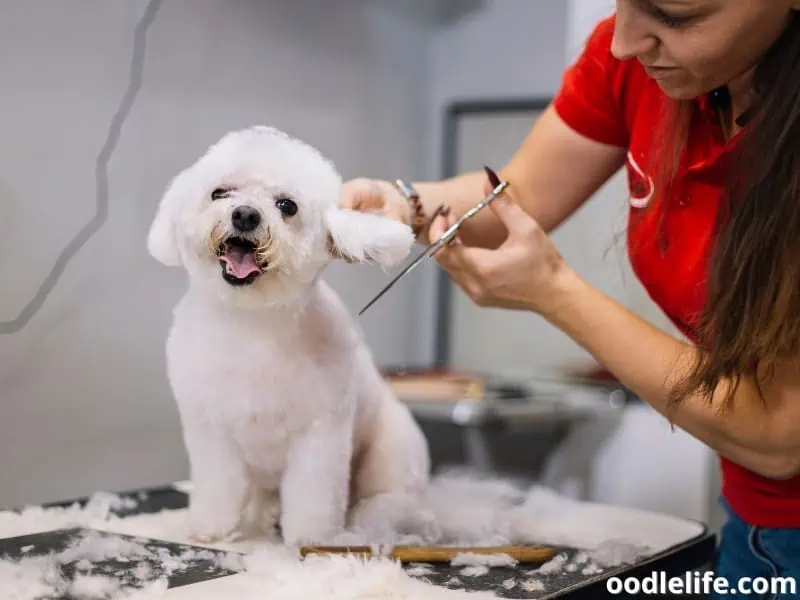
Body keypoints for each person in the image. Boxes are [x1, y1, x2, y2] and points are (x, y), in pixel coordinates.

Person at [338, 1, 800, 595]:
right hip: (750, 521)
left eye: (675, 17)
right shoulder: (639, 64)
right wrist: (406, 203)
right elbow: (515, 196)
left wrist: (554, 293)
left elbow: (776, 434)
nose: (623, 42)